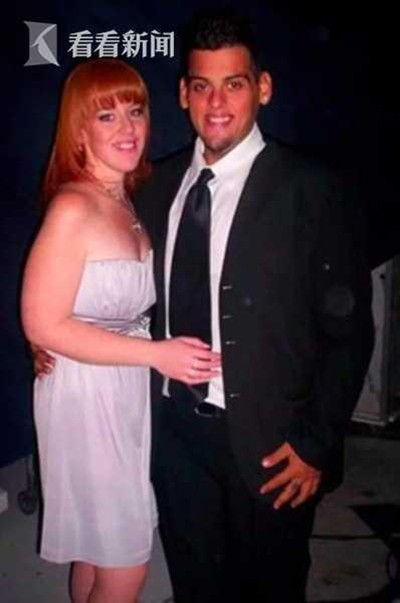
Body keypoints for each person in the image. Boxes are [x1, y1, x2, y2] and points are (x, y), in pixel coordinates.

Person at [133, 11, 375, 603]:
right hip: (174, 439)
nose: (216, 103)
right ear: (183, 93)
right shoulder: (155, 186)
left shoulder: (311, 190)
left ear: (262, 88)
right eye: (202, 85)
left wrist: (316, 444)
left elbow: (348, 333)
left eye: (234, 84)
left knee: (270, 589)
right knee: (195, 585)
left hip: (271, 444)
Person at [21, 58, 220, 603]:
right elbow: (41, 321)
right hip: (87, 397)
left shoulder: (124, 199)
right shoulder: (74, 206)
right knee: (126, 560)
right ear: (79, 131)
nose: (128, 128)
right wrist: (157, 354)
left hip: (117, 387)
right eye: (106, 116)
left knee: (96, 546)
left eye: (135, 111)